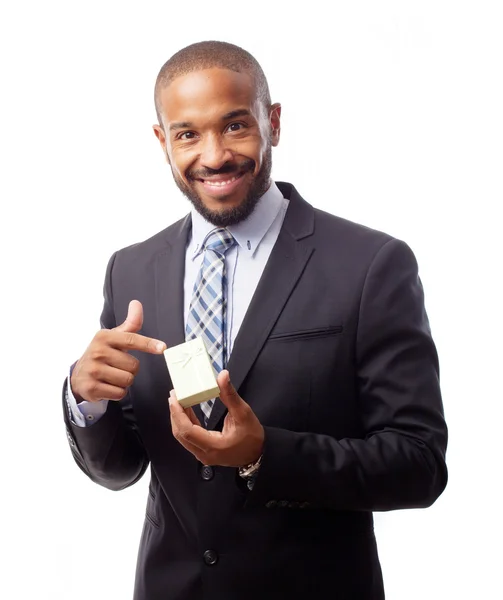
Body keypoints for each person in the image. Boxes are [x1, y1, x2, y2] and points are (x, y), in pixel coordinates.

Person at [63, 40, 448, 600]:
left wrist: (265, 454)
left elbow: (419, 463)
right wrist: (85, 397)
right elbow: (119, 468)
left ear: (273, 122)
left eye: (236, 126)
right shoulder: (131, 270)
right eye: (187, 134)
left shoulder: (369, 265)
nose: (214, 155)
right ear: (162, 141)